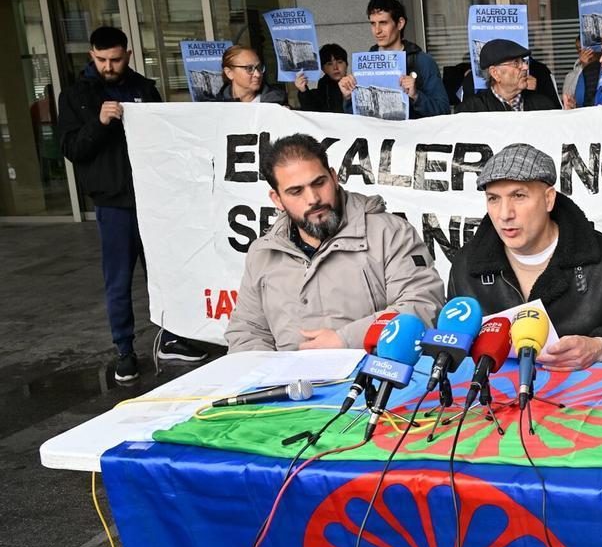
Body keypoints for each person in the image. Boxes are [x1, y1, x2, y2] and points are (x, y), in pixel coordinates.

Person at [58, 26, 208, 381]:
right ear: (91, 56)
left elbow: (166, 138)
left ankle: (172, 337)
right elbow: (72, 149)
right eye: (100, 59)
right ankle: (124, 349)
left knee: (166, 272)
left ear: (127, 54)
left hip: (154, 197)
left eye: (114, 59)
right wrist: (99, 121)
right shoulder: (77, 95)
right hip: (113, 203)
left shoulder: (144, 88)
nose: (108, 66)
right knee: (118, 279)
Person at [225, 134, 445, 352]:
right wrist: (264, 379)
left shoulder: (390, 233)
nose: (312, 198)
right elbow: (248, 330)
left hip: (376, 380)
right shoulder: (262, 253)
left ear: (334, 177)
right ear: (277, 199)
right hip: (287, 384)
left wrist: (347, 340)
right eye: (296, 191)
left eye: (319, 183)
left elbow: (423, 304)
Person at [447, 143, 602, 369]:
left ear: (549, 199)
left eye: (518, 195)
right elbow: (455, 343)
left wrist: (600, 347)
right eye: (493, 198)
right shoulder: (466, 265)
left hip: (583, 399)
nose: (505, 214)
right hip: (492, 398)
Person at [338, 0, 450, 119]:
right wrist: (348, 97)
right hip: (378, 137)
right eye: (373, 23)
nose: (377, 30)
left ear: (400, 23)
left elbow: (444, 111)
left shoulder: (422, 61)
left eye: (383, 23)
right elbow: (358, 120)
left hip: (413, 136)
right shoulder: (365, 63)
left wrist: (416, 95)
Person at [455, 39, 558, 113]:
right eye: (516, 63)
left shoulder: (543, 105)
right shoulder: (471, 110)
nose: (525, 67)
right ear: (495, 73)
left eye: (524, 61)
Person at [216, 46, 288, 104]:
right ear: (229, 73)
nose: (258, 74)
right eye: (249, 68)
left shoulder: (277, 103)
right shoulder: (216, 109)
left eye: (259, 67)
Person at [296, 43, 349, 113]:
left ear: (346, 65)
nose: (335, 67)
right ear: (322, 68)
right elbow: (310, 112)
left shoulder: (355, 85)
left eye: (340, 62)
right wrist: (303, 91)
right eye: (329, 64)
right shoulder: (321, 90)